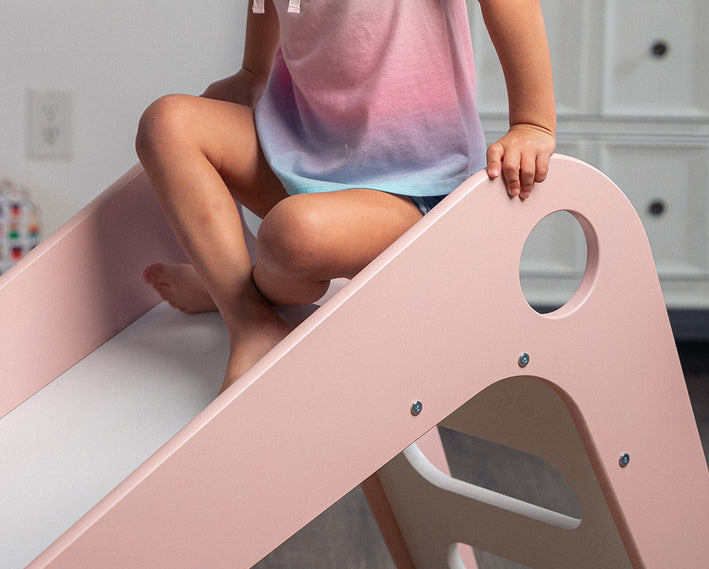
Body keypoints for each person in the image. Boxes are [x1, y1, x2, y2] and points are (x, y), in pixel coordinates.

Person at [137, 0, 556, 393]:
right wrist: (252, 72)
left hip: (414, 188)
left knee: (291, 235)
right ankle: (247, 317)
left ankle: (229, 286)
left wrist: (532, 122)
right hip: (298, 151)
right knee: (166, 123)